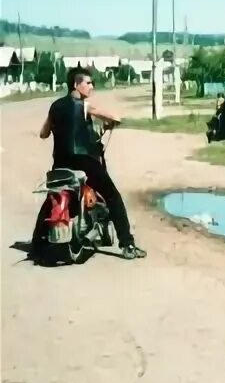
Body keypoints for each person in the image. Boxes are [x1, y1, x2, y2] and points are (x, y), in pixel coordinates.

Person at [30, 67, 147, 261]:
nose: (92, 86)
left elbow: (43, 133)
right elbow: (114, 117)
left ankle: (36, 244)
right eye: (88, 83)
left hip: (60, 163)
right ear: (76, 85)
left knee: (52, 197)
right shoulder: (82, 105)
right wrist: (112, 122)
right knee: (113, 196)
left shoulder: (55, 106)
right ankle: (128, 245)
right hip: (84, 161)